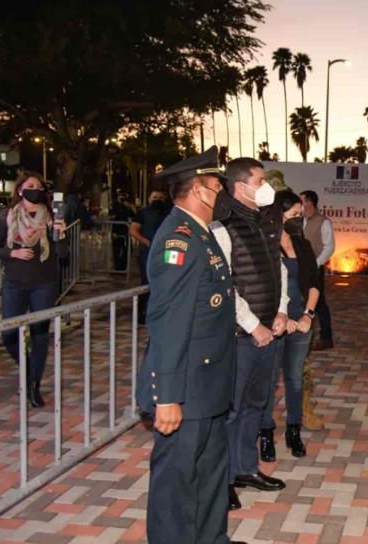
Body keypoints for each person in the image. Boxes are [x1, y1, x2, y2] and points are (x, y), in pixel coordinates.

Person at [136, 148, 242, 544]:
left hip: (208, 385)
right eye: (218, 186)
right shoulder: (179, 239)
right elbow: (168, 322)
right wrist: (166, 395)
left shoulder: (201, 234)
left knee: (211, 474)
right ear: (199, 190)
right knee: (176, 486)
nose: (222, 194)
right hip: (185, 389)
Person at [210, 157, 288, 512]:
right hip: (241, 336)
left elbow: (279, 269)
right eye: (260, 180)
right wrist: (252, 324)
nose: (265, 185)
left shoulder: (264, 220)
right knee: (231, 408)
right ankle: (222, 480)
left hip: (269, 330)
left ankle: (244, 468)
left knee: (256, 406)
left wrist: (282, 310)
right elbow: (224, 284)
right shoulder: (223, 228)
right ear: (240, 187)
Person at [0, 172, 68, 407]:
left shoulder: (52, 216)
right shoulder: (7, 217)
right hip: (15, 282)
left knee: (40, 336)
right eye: (30, 185)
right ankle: (28, 367)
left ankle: (33, 385)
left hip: (44, 283)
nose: (36, 189)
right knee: (8, 335)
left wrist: (61, 235)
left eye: (40, 186)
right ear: (20, 190)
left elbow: (63, 253)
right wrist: (13, 252)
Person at [260, 190, 321, 459]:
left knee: (295, 378)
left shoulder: (302, 244)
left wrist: (307, 315)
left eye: (300, 214)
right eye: (293, 214)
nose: (298, 218)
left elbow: (315, 284)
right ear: (277, 214)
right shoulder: (263, 243)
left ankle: (293, 431)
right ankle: (265, 432)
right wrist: (278, 319)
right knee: (269, 380)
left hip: (301, 320)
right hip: (273, 322)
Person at [300, 190, 335, 351]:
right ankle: (302, 335)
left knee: (319, 303)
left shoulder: (323, 222)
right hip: (298, 267)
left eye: (302, 201)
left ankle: (326, 337)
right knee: (300, 301)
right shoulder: (297, 220)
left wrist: (316, 264)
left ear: (310, 203)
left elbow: (329, 247)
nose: (299, 204)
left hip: (314, 268)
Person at [129, 188, 171, 323]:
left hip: (167, 252)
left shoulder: (170, 212)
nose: (157, 200)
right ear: (149, 199)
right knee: (146, 282)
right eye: (154, 197)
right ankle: (141, 313)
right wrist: (145, 241)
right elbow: (133, 230)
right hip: (148, 253)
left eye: (160, 197)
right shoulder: (142, 213)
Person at [109, 189, 135, 271]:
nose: (122, 197)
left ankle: (123, 267)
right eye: (121, 196)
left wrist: (130, 207)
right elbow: (113, 218)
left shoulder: (126, 206)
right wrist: (113, 232)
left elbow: (133, 215)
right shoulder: (115, 206)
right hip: (117, 230)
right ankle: (117, 267)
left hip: (125, 230)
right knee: (117, 250)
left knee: (128, 249)